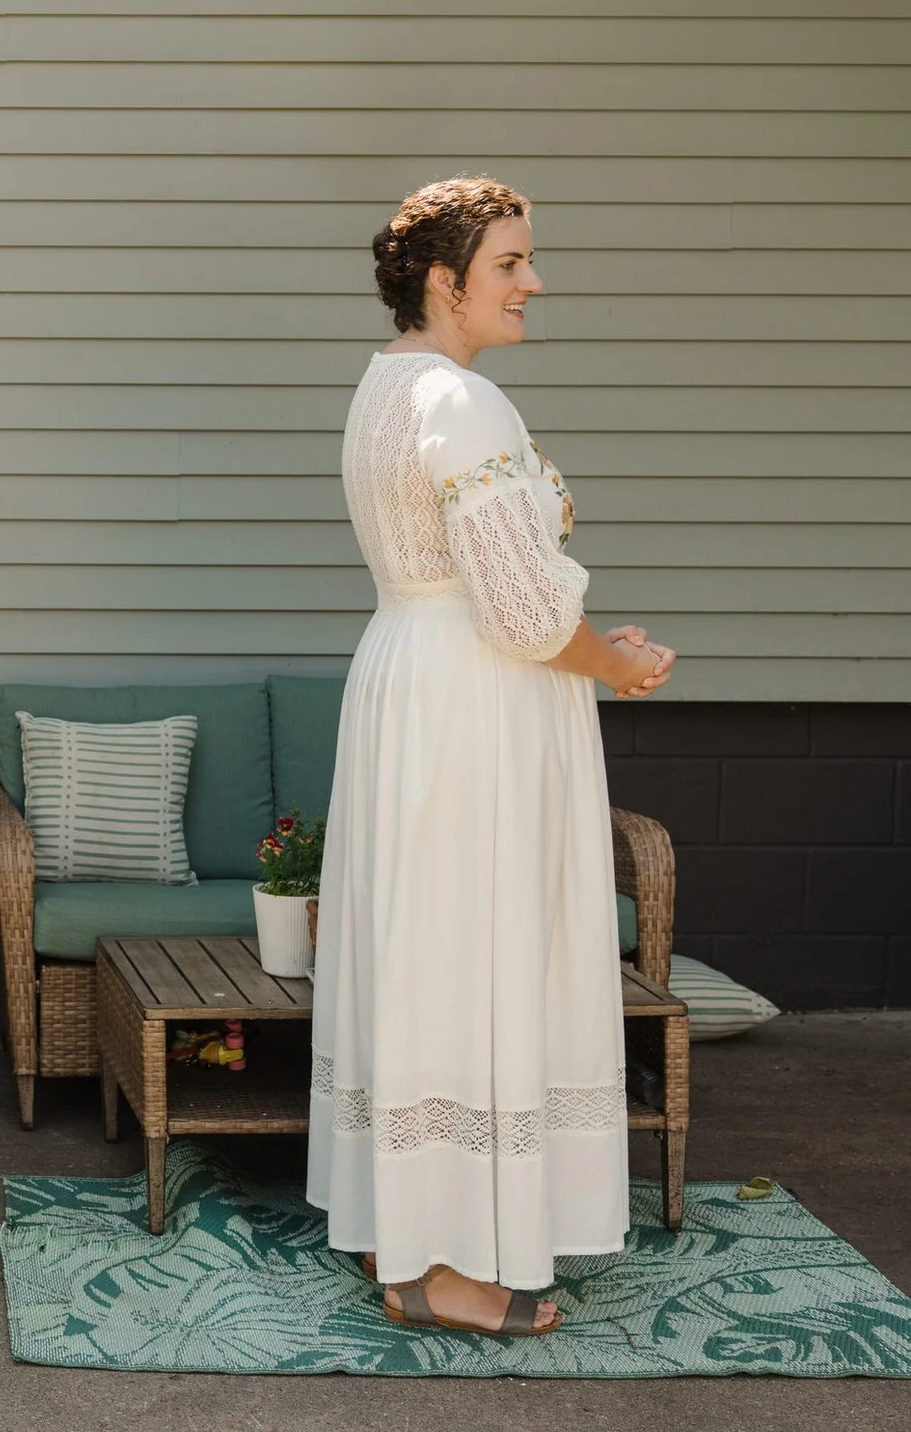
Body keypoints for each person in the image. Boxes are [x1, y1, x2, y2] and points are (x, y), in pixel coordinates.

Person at [308, 178, 675, 1336]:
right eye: (510, 262)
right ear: (443, 278)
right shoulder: (460, 402)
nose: (532, 282)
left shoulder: (385, 387)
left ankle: (398, 1222)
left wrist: (576, 637)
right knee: (476, 949)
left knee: (425, 944)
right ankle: (446, 1264)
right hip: (473, 697)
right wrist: (614, 664)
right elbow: (518, 612)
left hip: (412, 673)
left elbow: (488, 580)